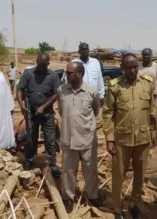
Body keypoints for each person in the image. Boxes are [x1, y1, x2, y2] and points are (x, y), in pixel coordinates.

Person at [103, 53, 157, 219]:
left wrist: (153, 133)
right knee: (119, 175)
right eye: (128, 67)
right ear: (122, 68)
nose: (132, 70)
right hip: (122, 139)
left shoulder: (147, 84)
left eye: (135, 67)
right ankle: (118, 209)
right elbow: (107, 113)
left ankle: (134, 204)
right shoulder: (115, 86)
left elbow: (152, 110)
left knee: (140, 175)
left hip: (143, 138)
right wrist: (110, 138)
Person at [57, 62, 102, 213]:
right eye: (66, 72)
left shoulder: (91, 91)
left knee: (90, 170)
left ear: (80, 74)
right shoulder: (62, 91)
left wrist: (83, 124)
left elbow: (96, 110)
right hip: (68, 139)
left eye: (70, 73)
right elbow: (62, 111)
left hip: (87, 138)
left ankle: (93, 195)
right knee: (68, 171)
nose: (67, 75)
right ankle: (68, 198)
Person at [17, 54, 61, 178]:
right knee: (31, 138)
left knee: (50, 140)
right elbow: (20, 89)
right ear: (36, 62)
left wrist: (43, 107)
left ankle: (52, 165)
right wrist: (21, 105)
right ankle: (30, 161)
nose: (41, 68)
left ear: (48, 64)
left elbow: (56, 94)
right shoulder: (28, 73)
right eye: (39, 65)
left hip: (47, 114)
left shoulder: (53, 76)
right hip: (31, 113)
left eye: (44, 65)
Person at [72, 42, 105, 129]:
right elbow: (69, 80)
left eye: (86, 49)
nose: (85, 51)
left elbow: (99, 79)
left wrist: (101, 95)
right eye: (82, 49)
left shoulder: (95, 62)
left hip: (94, 96)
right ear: (79, 51)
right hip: (79, 96)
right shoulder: (74, 63)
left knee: (94, 120)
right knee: (80, 119)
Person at [138, 48, 157, 128]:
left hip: (153, 94)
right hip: (141, 93)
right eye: (144, 55)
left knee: (155, 112)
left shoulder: (156, 66)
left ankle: (156, 129)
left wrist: (156, 94)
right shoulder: (139, 66)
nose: (146, 56)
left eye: (148, 55)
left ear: (151, 56)